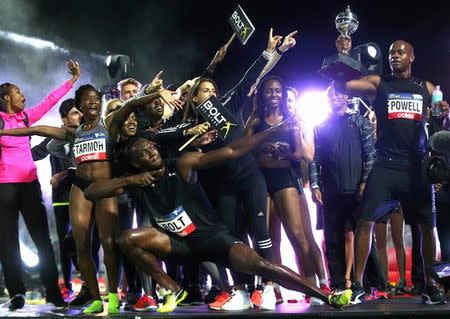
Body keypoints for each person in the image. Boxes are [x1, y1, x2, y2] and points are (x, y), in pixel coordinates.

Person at [83, 122, 352, 314]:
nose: (150, 152)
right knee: (126, 239)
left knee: (262, 265)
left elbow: (232, 151)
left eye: (150, 147)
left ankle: (326, 296)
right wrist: (130, 179)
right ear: (137, 163)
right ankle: (172, 288)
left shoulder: (182, 163)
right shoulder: (138, 181)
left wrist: (271, 131)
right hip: (177, 244)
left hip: (211, 238)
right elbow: (92, 191)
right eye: (141, 153)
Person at [335, 39, 449, 304]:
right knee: (365, 221)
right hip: (385, 165)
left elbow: (439, 116)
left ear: (412, 56)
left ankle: (430, 285)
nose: (394, 56)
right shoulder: (379, 83)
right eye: (391, 53)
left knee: (425, 226)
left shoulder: (426, 87)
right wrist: (343, 54)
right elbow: (345, 85)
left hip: (416, 167)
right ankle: (360, 286)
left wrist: (442, 112)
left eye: (400, 52)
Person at [0, 60, 80, 310]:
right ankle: (16, 293)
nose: (22, 95)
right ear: (5, 98)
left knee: (43, 239)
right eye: (17, 92)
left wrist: (72, 81)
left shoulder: (26, 116)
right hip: (4, 188)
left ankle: (53, 292)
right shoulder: (0, 120)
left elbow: (49, 101)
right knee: (7, 241)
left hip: (29, 185)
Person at [245, 76, 329, 304]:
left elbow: (300, 154)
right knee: (269, 240)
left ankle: (311, 286)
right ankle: (275, 289)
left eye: (278, 91)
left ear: (282, 95)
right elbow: (244, 149)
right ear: (263, 94)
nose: (274, 95)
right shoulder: (255, 121)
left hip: (285, 180)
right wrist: (263, 148)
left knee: (298, 235)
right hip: (261, 181)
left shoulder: (290, 120)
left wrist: (280, 151)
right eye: (270, 91)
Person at [309, 83, 384, 292]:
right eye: (330, 94)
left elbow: (371, 154)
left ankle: (372, 283)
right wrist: (315, 184)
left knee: (362, 238)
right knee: (332, 240)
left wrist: (364, 182)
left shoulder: (359, 122)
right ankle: (339, 284)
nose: (334, 97)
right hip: (330, 192)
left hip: (357, 192)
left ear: (347, 96)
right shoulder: (321, 126)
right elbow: (314, 159)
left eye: (338, 93)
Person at [31, 98, 83, 299]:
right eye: (74, 113)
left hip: (85, 194)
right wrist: (11, 154)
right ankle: (68, 285)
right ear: (63, 118)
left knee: (84, 241)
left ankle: (89, 281)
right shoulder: (55, 137)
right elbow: (34, 153)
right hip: (62, 197)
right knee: (64, 242)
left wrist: (64, 174)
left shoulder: (88, 134)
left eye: (80, 112)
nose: (79, 116)